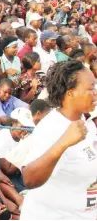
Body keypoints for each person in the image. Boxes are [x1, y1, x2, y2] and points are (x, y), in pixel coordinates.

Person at [21, 60, 97, 219]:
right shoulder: (52, 127)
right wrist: (63, 143)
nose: (95, 92)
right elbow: (29, 179)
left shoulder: (85, 122)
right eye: (91, 88)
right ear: (70, 93)